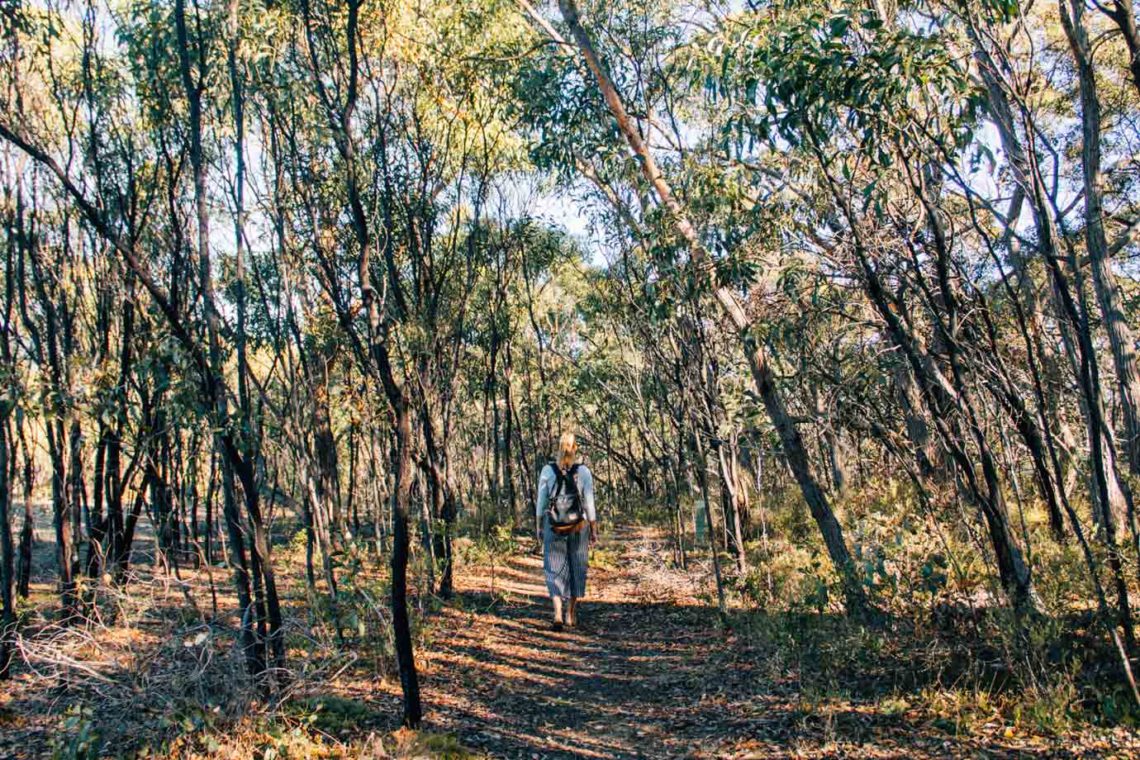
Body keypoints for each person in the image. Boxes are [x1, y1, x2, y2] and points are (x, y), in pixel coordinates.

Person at [535, 432, 597, 629]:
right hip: (579, 525)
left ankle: (557, 613)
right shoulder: (584, 472)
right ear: (575, 448)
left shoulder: (548, 470)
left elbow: (541, 502)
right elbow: (589, 504)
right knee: (576, 566)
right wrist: (593, 528)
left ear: (558, 447)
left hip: (554, 524)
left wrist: (538, 525)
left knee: (553, 566)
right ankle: (571, 613)